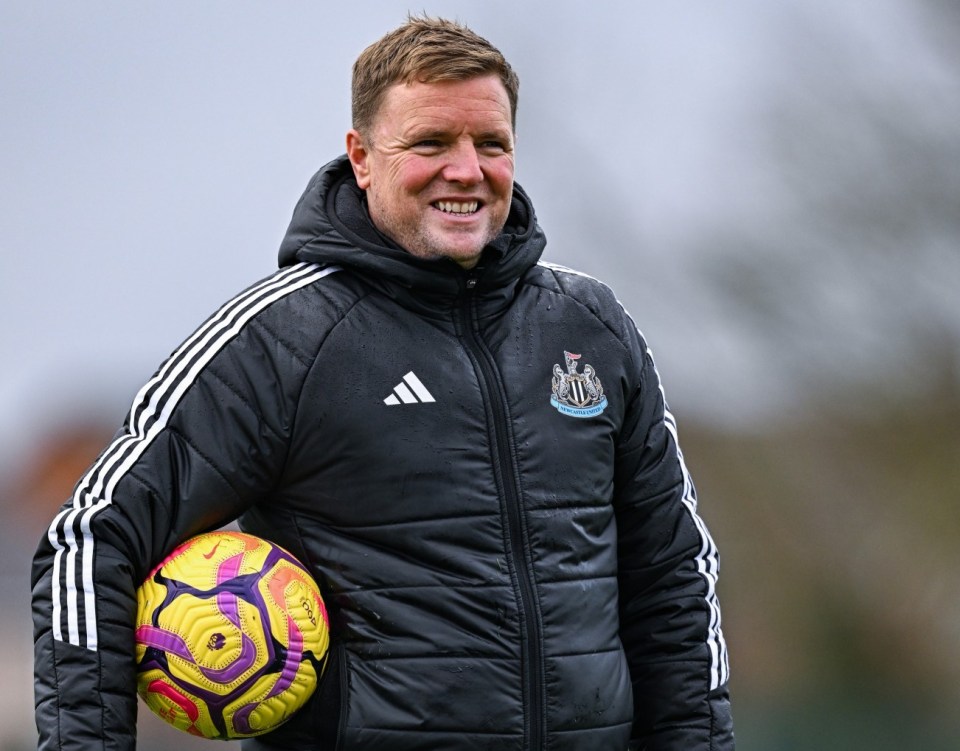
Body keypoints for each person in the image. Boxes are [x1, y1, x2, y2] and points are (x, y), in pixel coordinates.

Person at [32, 16, 734, 751]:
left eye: (490, 144)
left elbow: (673, 576)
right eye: (431, 142)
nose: (466, 169)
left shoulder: (591, 327)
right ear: (362, 158)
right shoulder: (280, 342)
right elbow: (90, 540)